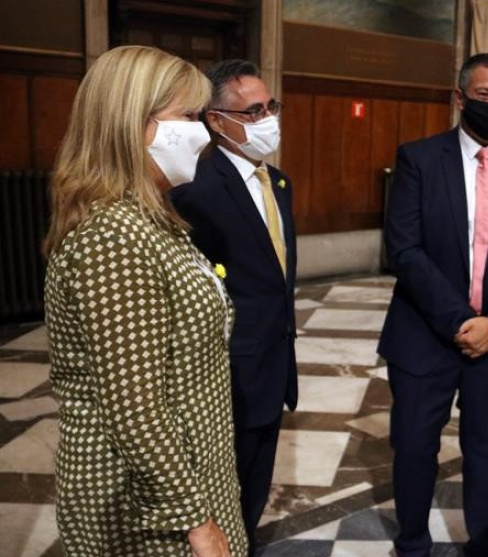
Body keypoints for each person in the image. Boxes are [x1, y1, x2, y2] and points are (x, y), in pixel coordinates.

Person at [43, 45, 246, 557]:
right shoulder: (113, 237)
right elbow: (135, 409)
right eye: (188, 117)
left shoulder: (148, 220)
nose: (202, 133)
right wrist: (197, 520)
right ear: (131, 124)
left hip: (188, 474)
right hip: (147, 505)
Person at [377, 53, 488, 556]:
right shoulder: (418, 158)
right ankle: (413, 543)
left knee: (483, 450)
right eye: (484, 95)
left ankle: (482, 544)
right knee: (414, 447)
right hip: (424, 335)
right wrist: (461, 321)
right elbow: (404, 250)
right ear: (459, 98)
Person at [170, 59, 298, 556]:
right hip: (227, 371)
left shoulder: (278, 182)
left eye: (271, 107)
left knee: (257, 482)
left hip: (274, 361)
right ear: (216, 120)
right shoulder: (194, 189)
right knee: (225, 491)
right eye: (253, 112)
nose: (268, 120)